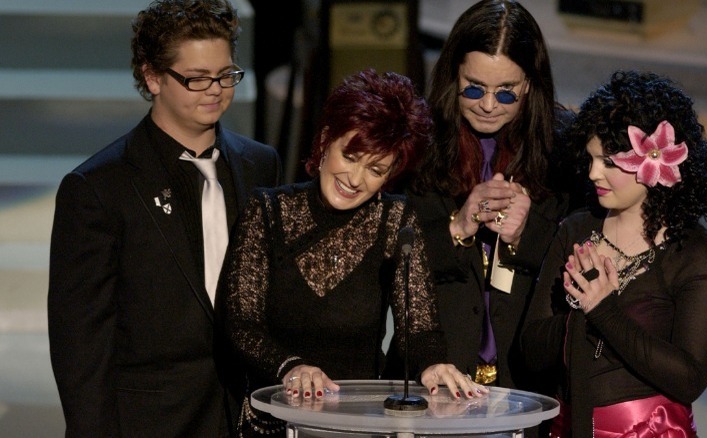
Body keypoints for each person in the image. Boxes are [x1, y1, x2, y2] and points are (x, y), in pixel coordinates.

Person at [47, 1, 281, 436]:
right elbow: (80, 345)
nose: (215, 90)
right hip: (150, 420)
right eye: (196, 78)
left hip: (247, 414)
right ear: (152, 77)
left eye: (226, 75)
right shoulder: (98, 187)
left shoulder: (258, 165)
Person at [219, 68, 488, 436]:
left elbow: (419, 327)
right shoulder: (267, 211)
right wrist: (292, 367)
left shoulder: (395, 219)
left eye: (375, 169)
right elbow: (240, 322)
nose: (356, 179)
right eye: (350, 155)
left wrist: (432, 365)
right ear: (326, 140)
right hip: (272, 423)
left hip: (355, 426)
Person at [520, 70, 707, 437]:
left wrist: (604, 310)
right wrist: (578, 312)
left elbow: (689, 379)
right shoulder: (575, 229)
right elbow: (530, 350)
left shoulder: (697, 256)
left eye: (608, 163)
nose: (592, 174)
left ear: (655, 164)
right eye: (589, 159)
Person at [385, 0, 577, 396]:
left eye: (506, 93)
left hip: (524, 380)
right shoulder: (417, 141)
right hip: (434, 376)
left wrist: (526, 235)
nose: (488, 105)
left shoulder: (565, 149)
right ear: (453, 75)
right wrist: (457, 227)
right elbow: (386, 262)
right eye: (474, 88)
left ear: (529, 84)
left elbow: (577, 264)